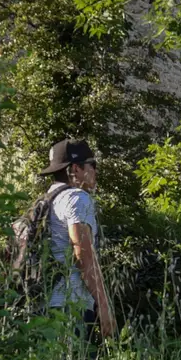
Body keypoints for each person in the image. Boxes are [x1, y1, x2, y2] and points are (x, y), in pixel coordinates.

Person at [38, 139, 117, 342]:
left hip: (44, 305)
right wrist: (103, 305)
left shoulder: (47, 200)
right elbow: (82, 254)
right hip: (72, 307)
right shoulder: (77, 198)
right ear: (75, 168)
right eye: (93, 164)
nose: (96, 171)